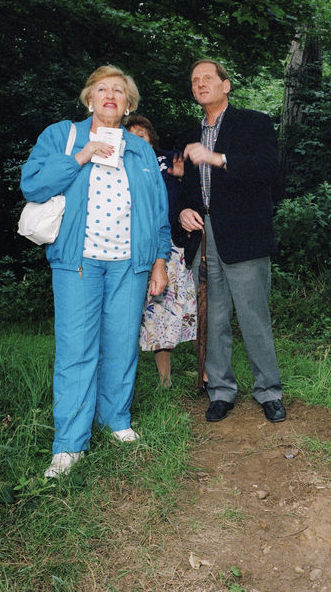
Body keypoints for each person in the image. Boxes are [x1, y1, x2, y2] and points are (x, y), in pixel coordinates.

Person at [21, 65, 171, 479]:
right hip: (78, 262)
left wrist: (160, 259)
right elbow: (32, 185)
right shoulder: (61, 136)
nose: (110, 95)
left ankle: (115, 420)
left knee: (122, 345)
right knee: (76, 349)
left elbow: (159, 210)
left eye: (119, 91)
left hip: (130, 264)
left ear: (128, 104)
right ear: (90, 100)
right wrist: (80, 156)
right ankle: (69, 445)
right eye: (102, 89)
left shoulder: (139, 149)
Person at [176, 58, 286, 423]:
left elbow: (270, 170)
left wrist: (218, 157)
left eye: (208, 78)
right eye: (195, 80)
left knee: (254, 316)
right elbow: (182, 187)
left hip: (244, 236)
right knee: (213, 317)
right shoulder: (189, 135)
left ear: (226, 85)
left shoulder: (254, 123)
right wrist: (183, 211)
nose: (201, 84)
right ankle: (221, 391)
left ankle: (269, 391)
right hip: (204, 238)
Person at [125, 115, 198, 389]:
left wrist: (182, 179)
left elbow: (200, 189)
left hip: (175, 246)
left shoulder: (171, 159)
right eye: (131, 136)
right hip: (138, 249)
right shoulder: (122, 166)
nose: (137, 140)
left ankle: (204, 369)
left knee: (185, 308)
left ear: (151, 138)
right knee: (155, 313)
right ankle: (164, 379)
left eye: (141, 134)